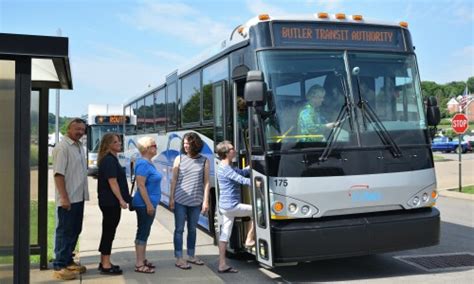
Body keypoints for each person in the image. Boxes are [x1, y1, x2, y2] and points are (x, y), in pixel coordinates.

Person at [52, 118, 89, 280]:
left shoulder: (79, 146)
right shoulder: (63, 147)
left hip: (78, 198)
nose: (80, 132)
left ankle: (68, 261)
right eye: (77, 129)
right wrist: (64, 198)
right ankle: (59, 266)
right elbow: (59, 174)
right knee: (64, 232)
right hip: (68, 199)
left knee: (75, 230)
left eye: (82, 129)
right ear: (69, 129)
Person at [169, 132, 210, 270]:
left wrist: (205, 201)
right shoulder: (179, 158)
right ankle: (179, 258)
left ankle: (191, 256)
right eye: (184, 143)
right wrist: (171, 198)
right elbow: (173, 180)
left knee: (192, 229)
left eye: (188, 143)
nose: (185, 146)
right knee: (179, 229)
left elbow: (206, 183)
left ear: (195, 144)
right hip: (180, 200)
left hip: (196, 201)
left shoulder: (204, 160)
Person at [216, 140, 256, 274]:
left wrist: (248, 168)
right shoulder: (226, 168)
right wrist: (258, 182)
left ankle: (222, 264)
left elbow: (240, 173)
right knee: (259, 212)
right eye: (232, 149)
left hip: (226, 207)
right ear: (227, 153)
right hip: (232, 206)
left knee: (224, 235)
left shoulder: (226, 165)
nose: (235, 150)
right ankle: (249, 239)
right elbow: (241, 179)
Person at [96, 133, 131, 275]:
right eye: (116, 142)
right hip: (111, 202)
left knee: (108, 231)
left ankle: (104, 261)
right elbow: (113, 182)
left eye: (119, 141)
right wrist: (121, 200)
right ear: (108, 144)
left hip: (109, 202)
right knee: (109, 232)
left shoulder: (111, 159)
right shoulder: (109, 160)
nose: (119, 144)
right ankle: (105, 265)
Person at [132, 136, 162, 274]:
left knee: (145, 231)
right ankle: (139, 264)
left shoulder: (148, 162)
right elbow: (141, 186)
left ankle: (142, 259)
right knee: (143, 232)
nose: (156, 147)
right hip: (144, 204)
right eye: (154, 145)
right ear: (147, 149)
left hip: (148, 203)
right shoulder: (143, 164)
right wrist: (149, 204)